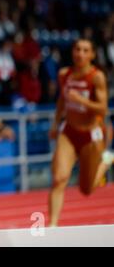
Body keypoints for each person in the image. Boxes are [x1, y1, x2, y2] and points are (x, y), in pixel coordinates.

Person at [48, 38, 114, 227]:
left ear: (92, 55)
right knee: (59, 178)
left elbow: (103, 110)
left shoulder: (96, 77)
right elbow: (62, 100)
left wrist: (81, 100)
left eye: (86, 50)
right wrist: (55, 124)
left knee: (86, 189)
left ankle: (107, 160)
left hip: (90, 135)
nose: (81, 54)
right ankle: (52, 226)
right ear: (72, 52)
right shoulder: (64, 74)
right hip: (69, 132)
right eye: (77, 49)